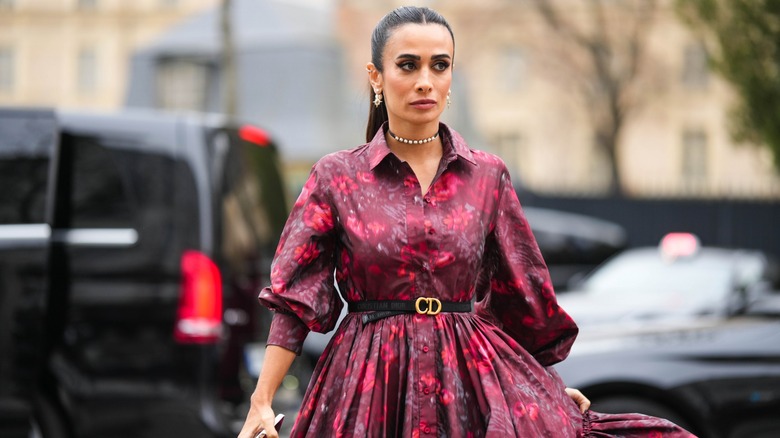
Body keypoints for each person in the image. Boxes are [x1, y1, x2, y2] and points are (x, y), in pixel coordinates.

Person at [238, 6, 695, 438]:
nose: (425, 81)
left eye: (439, 66)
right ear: (376, 76)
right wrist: (262, 400)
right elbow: (295, 301)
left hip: (465, 385)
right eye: (408, 65)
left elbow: (520, 297)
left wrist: (543, 385)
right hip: (368, 385)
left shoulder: (487, 176)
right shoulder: (337, 176)